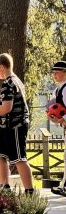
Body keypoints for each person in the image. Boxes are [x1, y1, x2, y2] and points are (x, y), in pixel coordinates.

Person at [0, 53, 34, 194]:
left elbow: (6, 107)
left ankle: (29, 192)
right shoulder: (16, 81)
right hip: (6, 126)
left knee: (19, 158)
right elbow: (6, 107)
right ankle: (4, 188)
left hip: (15, 126)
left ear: (2, 66)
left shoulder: (8, 83)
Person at [46, 60, 66, 196]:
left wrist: (62, 119)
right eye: (54, 72)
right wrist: (52, 116)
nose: (55, 75)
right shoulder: (58, 90)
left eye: (57, 72)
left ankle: (64, 186)